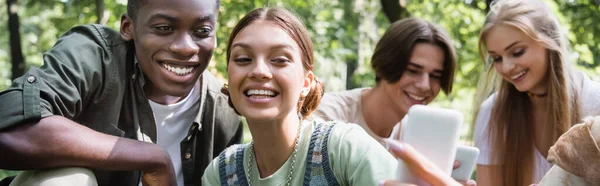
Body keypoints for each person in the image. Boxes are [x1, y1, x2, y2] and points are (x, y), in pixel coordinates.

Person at [0, 0, 243, 185]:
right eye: (164, 28)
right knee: (69, 178)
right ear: (128, 27)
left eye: (201, 31)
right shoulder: (96, 57)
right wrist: (153, 157)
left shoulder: (223, 112)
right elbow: (11, 129)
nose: (185, 47)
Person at [201, 7, 397, 185]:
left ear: (306, 83)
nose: (259, 71)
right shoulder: (222, 173)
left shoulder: (343, 149)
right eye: (243, 59)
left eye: (279, 60)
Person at [473, 0, 600, 185]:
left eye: (517, 52)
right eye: (497, 58)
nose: (506, 67)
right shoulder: (492, 113)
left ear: (549, 41)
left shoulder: (594, 101)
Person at [309, 18, 457, 143]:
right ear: (386, 63)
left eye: (436, 76)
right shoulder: (326, 118)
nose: (424, 85)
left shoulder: (417, 137)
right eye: (413, 70)